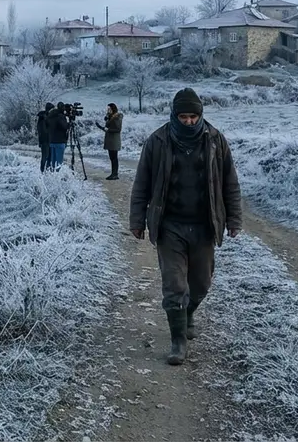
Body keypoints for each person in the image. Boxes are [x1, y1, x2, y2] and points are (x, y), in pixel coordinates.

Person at [128, 88, 242, 366]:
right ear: (174, 115)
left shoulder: (215, 140)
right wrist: (137, 220)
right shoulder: (158, 141)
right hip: (170, 226)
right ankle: (178, 340)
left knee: (201, 284)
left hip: (204, 225)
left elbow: (230, 182)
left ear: (200, 115)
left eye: (193, 116)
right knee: (174, 285)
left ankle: (188, 311)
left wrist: (234, 219)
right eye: (183, 116)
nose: (188, 121)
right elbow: (142, 183)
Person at [97, 102, 123, 180]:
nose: (108, 110)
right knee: (112, 157)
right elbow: (107, 126)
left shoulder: (117, 117)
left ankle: (115, 174)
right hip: (111, 140)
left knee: (114, 157)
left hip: (114, 141)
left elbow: (118, 129)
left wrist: (108, 130)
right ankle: (113, 173)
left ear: (112, 109)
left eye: (109, 109)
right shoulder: (111, 117)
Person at [46, 103, 70, 171]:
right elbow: (64, 127)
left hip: (52, 141)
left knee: (53, 162)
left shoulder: (50, 116)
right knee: (59, 162)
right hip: (60, 141)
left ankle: (52, 175)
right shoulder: (60, 116)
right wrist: (69, 124)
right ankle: (58, 176)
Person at [37, 104, 53, 172]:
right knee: (45, 156)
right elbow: (44, 130)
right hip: (46, 140)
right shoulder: (44, 118)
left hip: (44, 139)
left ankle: (44, 170)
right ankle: (43, 170)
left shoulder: (42, 117)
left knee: (46, 156)